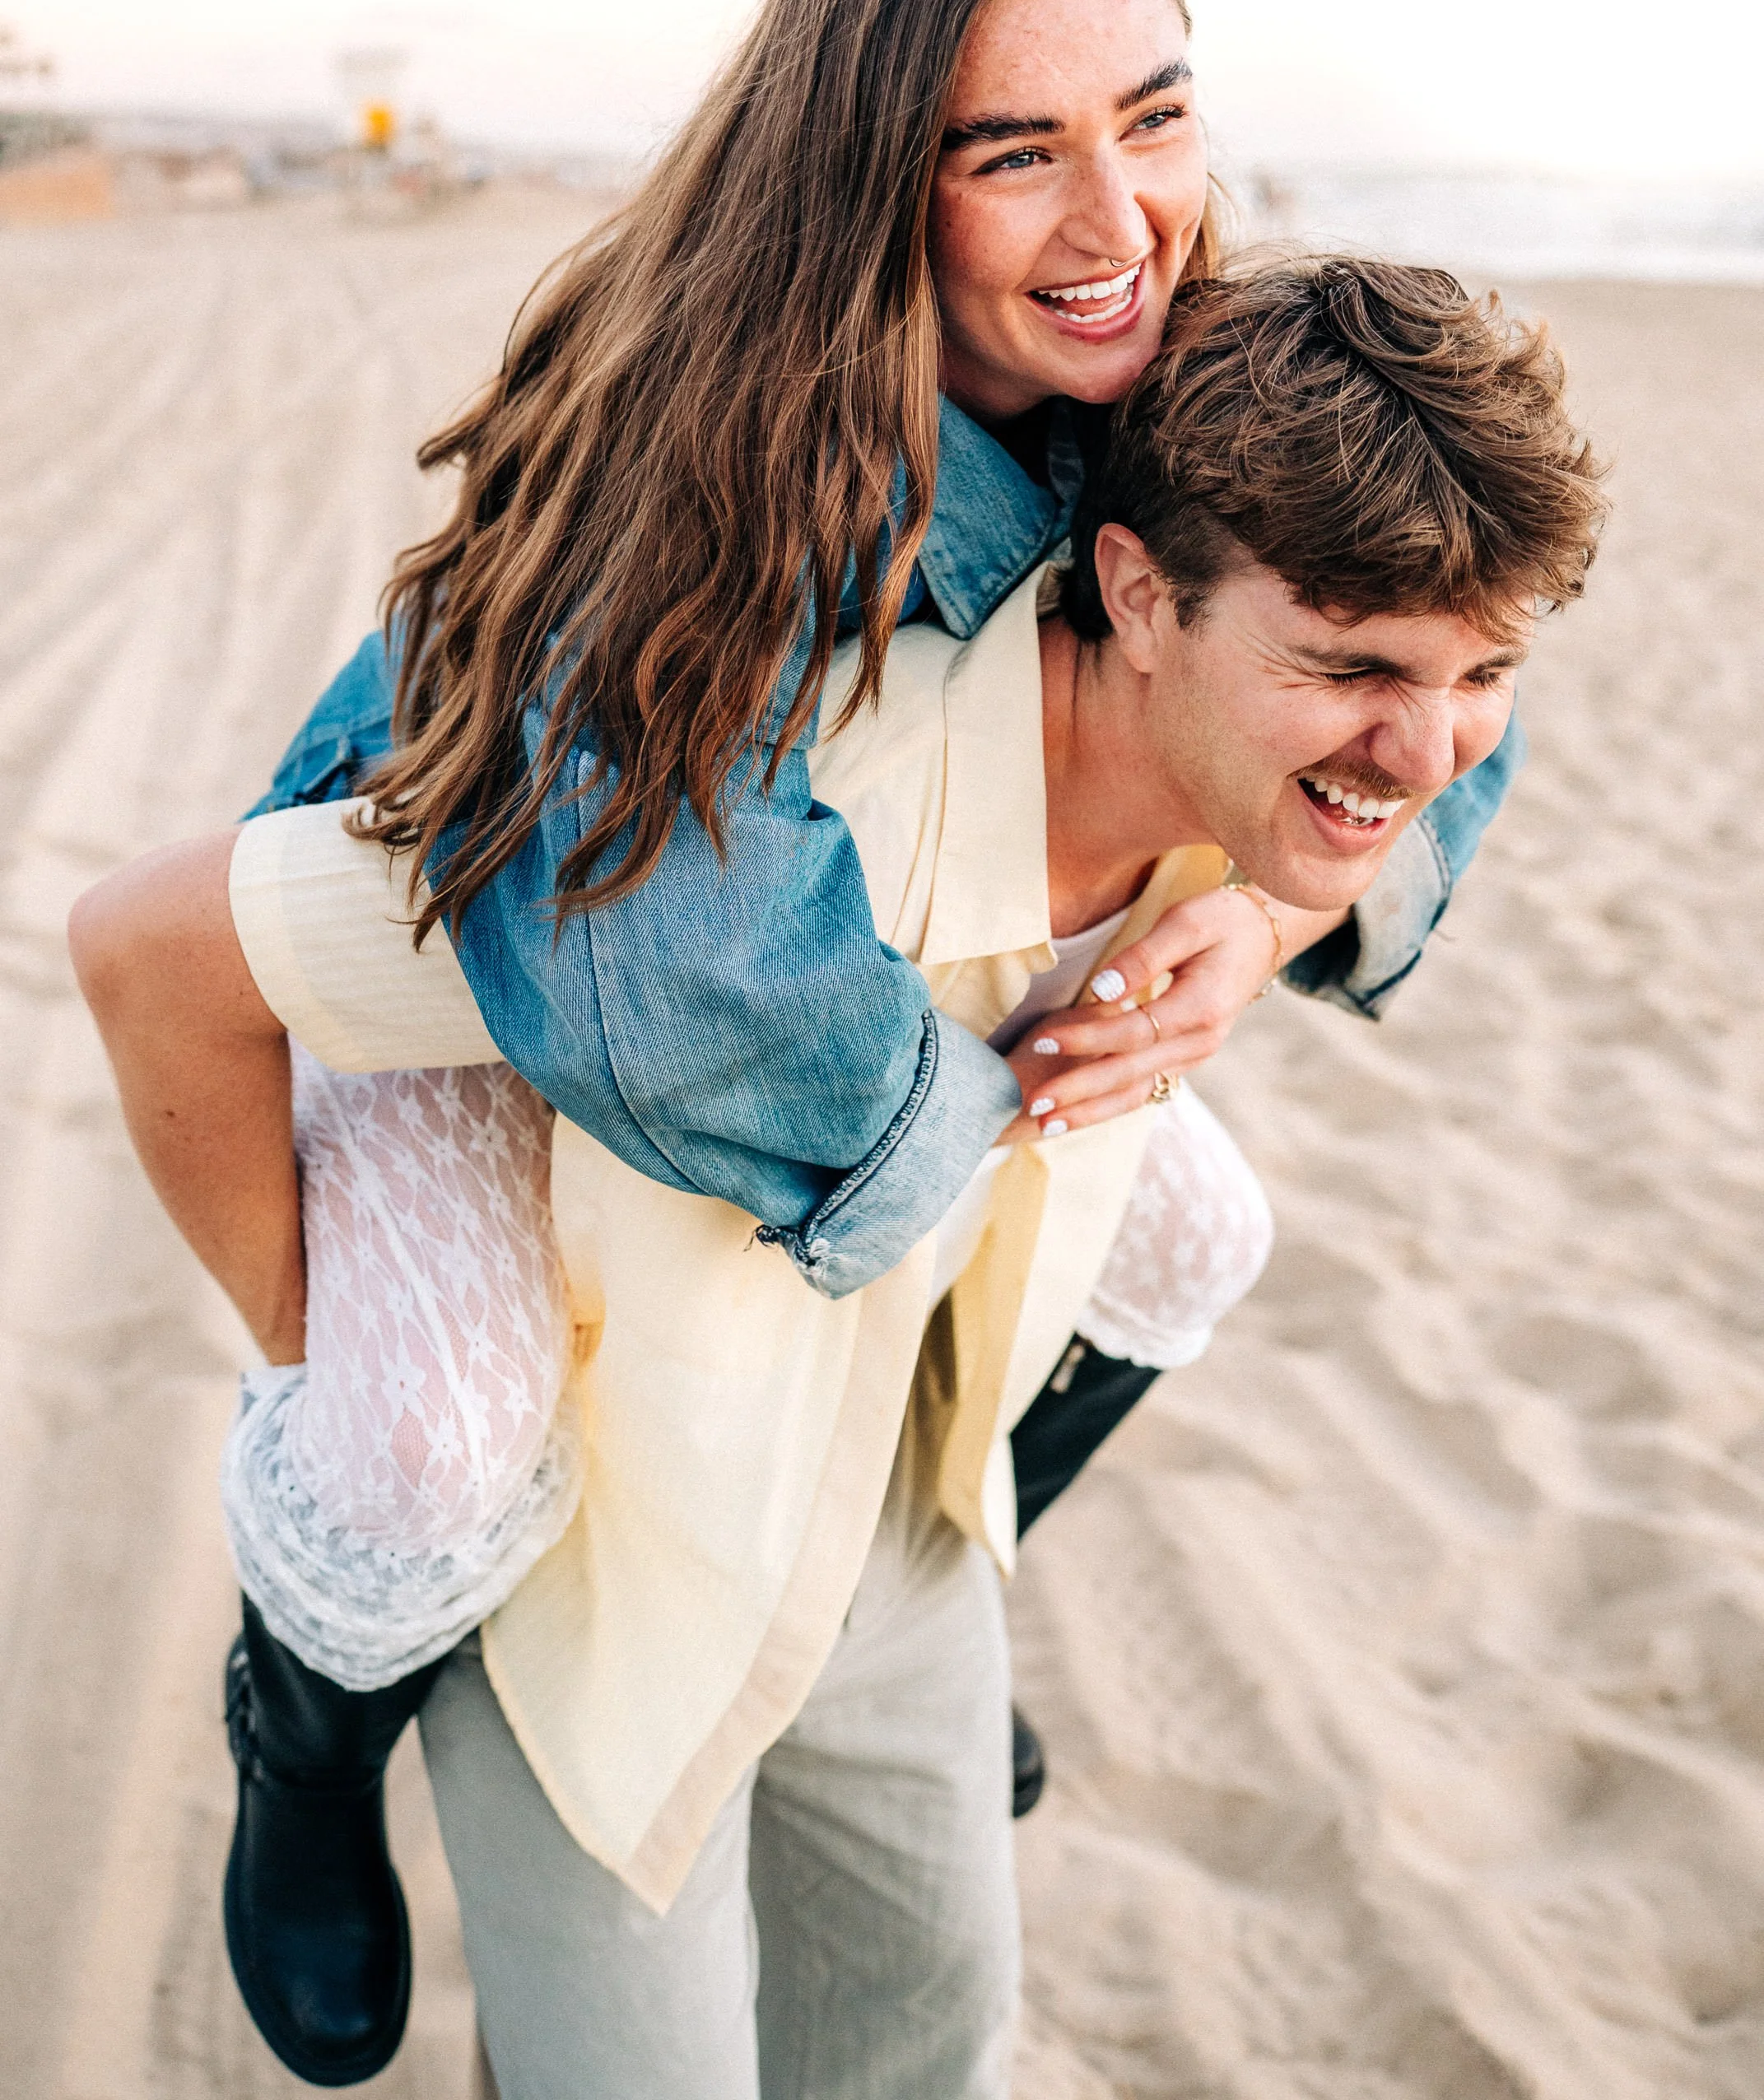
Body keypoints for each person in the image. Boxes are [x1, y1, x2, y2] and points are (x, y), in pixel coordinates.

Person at [76, 258, 1604, 2096]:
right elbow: (151, 948)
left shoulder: (1251, 729)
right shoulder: (724, 861)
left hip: (878, 1511)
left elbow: (1397, 738)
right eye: (1353, 669)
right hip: (598, 1524)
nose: (1423, 750)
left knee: (935, 2022)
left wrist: (1279, 914)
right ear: (1135, 593)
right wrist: (324, 1343)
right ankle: (308, 1720)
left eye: (1483, 675)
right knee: (426, 1457)